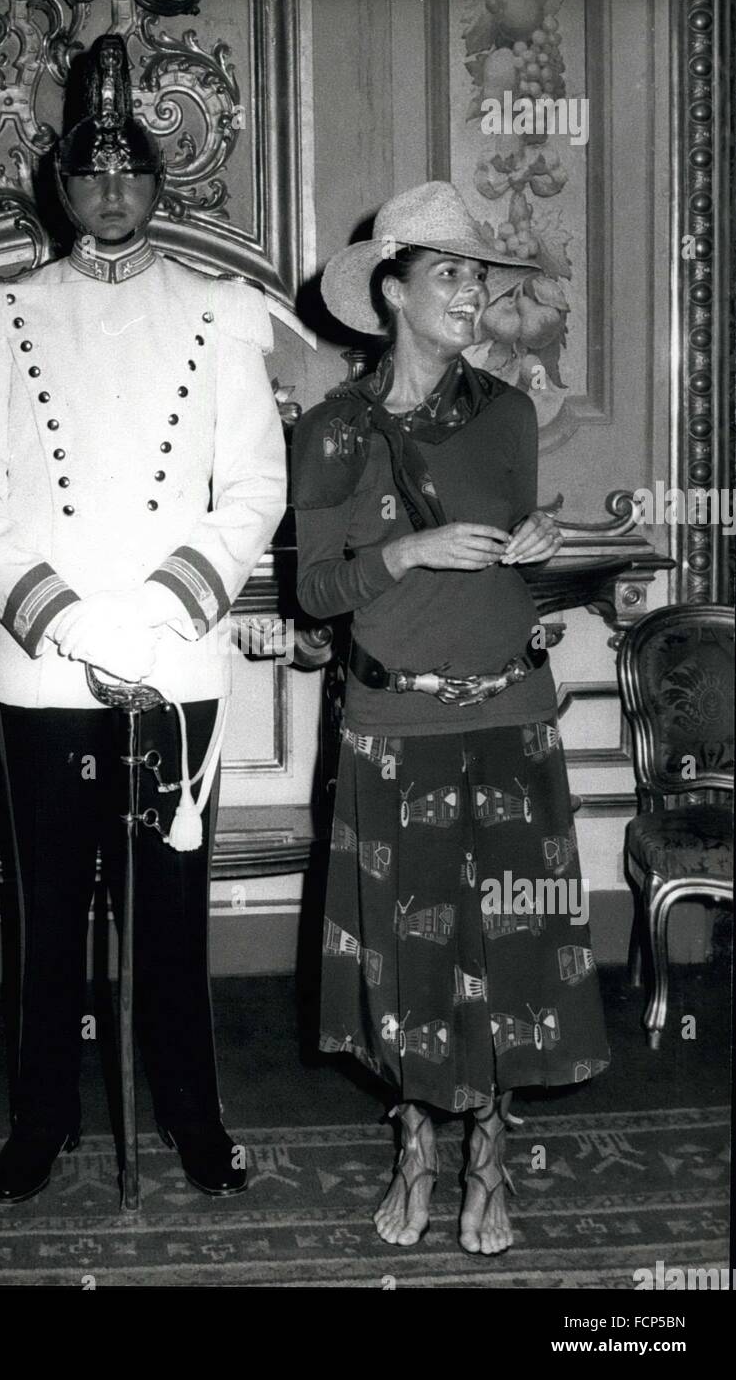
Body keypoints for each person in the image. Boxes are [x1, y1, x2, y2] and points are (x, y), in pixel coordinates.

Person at [0, 35, 286, 1204]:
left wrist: (158, 608)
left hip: (175, 657)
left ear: (158, 180)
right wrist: (69, 620)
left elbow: (253, 492)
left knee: (170, 910)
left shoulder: (223, 314)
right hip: (42, 666)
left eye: (132, 171)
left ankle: (191, 1112)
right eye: (89, 175)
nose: (112, 191)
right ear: (60, 187)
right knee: (46, 908)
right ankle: (43, 1118)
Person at [293, 182, 610, 1254]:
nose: (473, 295)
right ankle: (416, 1150)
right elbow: (316, 593)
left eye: (480, 275)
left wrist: (540, 543)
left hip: (514, 714)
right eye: (451, 275)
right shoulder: (333, 431)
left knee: (511, 953)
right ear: (392, 289)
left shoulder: (512, 411)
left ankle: (490, 1166)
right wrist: (409, 550)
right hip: (396, 725)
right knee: (410, 962)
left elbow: (519, 549)